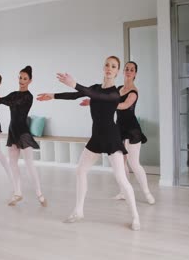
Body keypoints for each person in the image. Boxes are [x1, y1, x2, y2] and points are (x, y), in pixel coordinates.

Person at [37, 56, 141, 230]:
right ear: (104, 68)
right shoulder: (94, 88)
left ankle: (135, 217)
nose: (109, 68)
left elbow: (96, 95)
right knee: (80, 170)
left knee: (121, 178)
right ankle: (78, 211)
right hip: (97, 137)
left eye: (113, 66)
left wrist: (75, 83)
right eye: (107, 65)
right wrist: (53, 95)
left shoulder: (115, 94)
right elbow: (77, 95)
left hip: (111, 138)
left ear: (117, 72)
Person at [80, 61, 155, 204]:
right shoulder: (118, 88)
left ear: (135, 74)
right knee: (122, 164)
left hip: (132, 130)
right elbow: (105, 99)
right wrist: (93, 101)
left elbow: (124, 105)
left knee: (134, 164)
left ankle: (147, 193)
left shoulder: (134, 91)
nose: (128, 71)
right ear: (123, 71)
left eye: (132, 70)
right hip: (118, 129)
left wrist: (104, 102)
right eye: (126, 69)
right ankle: (123, 192)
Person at [0, 66, 47, 207]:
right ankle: (18, 193)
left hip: (23, 133)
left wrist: (0, 100)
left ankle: (39, 194)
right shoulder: (13, 94)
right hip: (12, 132)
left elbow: (12, 102)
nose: (22, 80)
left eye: (25, 78)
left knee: (29, 164)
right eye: (20, 77)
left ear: (30, 81)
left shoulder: (28, 97)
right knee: (12, 164)